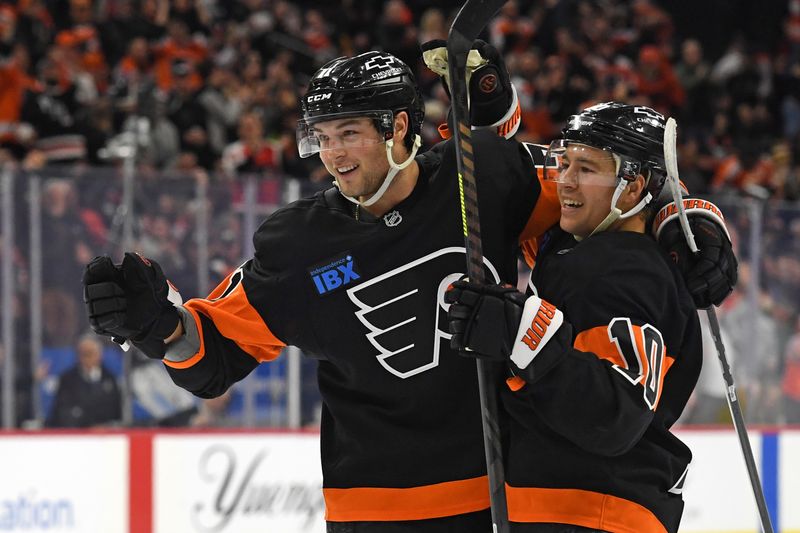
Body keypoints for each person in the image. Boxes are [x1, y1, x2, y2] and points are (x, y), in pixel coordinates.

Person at [82, 46, 734, 532]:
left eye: (350, 134)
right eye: (324, 138)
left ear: (399, 128)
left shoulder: (482, 176)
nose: (334, 156)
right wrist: (160, 327)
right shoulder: (297, 245)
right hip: (370, 503)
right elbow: (215, 353)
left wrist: (690, 222)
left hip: (494, 493)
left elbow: (597, 197)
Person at [446, 102, 705, 532]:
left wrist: (521, 333)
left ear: (633, 185)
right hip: (580, 505)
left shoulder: (628, 270)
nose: (564, 180)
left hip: (592, 509)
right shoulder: (581, 251)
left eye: (585, 169)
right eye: (563, 163)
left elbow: (615, 416)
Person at [45, 334, 122, 428]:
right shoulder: (67, 380)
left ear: (99, 355)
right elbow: (62, 411)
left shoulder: (109, 378)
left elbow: (117, 410)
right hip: (78, 434)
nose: (86, 358)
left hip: (105, 434)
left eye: (90, 353)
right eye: (83, 354)